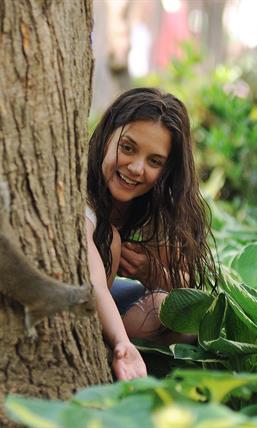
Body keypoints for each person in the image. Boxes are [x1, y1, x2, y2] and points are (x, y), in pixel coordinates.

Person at [85, 87, 218, 381]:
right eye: (128, 148)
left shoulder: (151, 204)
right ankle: (110, 347)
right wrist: (122, 342)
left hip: (111, 297)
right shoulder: (84, 199)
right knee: (113, 244)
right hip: (89, 302)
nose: (136, 168)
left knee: (179, 316)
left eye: (154, 161)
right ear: (107, 135)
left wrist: (149, 269)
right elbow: (93, 278)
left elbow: (187, 285)